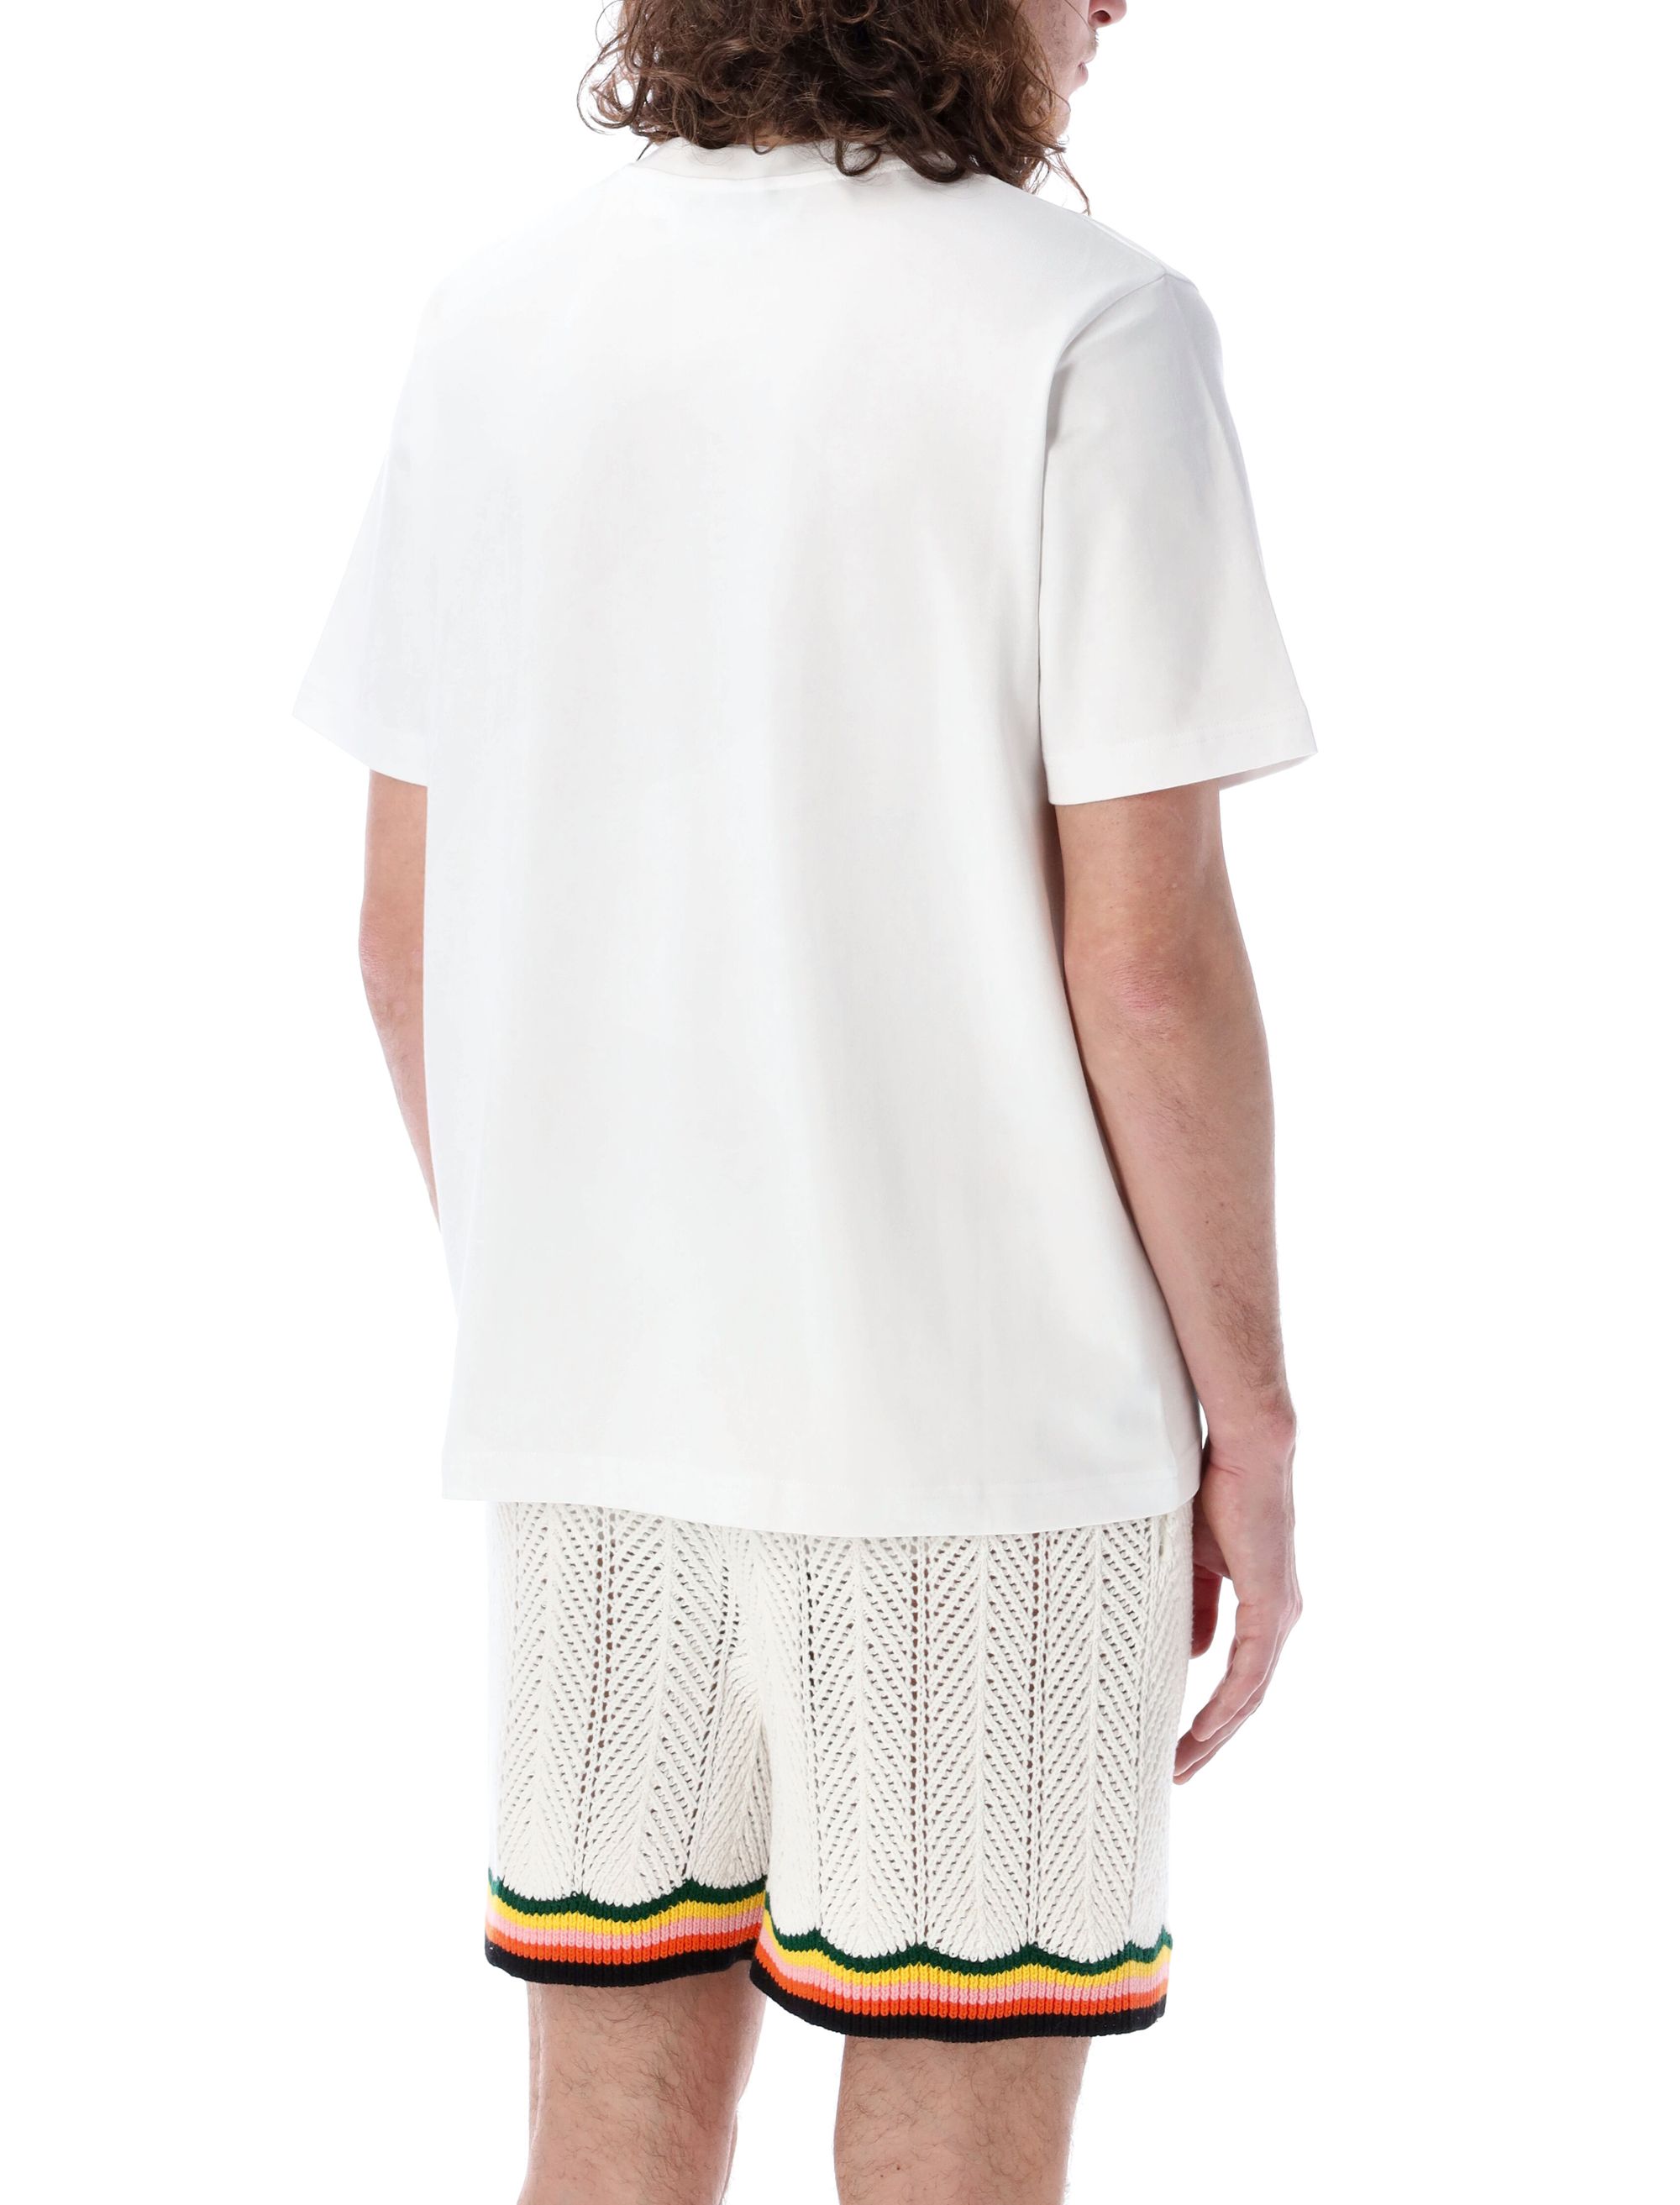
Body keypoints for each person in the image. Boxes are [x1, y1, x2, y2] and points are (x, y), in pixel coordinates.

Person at [295, 0, 1314, 2196]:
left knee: (605, 2122)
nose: (1122, 1)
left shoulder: (500, 318)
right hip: (989, 1433)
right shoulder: (1089, 329)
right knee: (960, 2123)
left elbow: (400, 939)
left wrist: (573, 1307)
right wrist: (1255, 1424)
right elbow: (1145, 964)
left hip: (593, 1416)